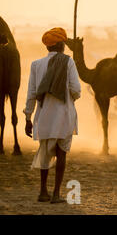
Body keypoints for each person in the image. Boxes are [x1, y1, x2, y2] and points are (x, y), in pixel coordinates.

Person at [23, 27, 81, 203]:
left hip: (44, 116)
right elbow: (76, 90)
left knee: (45, 152)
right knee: (61, 153)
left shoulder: (36, 65)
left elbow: (31, 93)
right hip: (64, 115)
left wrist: (27, 117)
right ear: (62, 45)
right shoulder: (69, 62)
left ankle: (42, 192)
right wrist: (72, 97)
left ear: (48, 47)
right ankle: (56, 194)